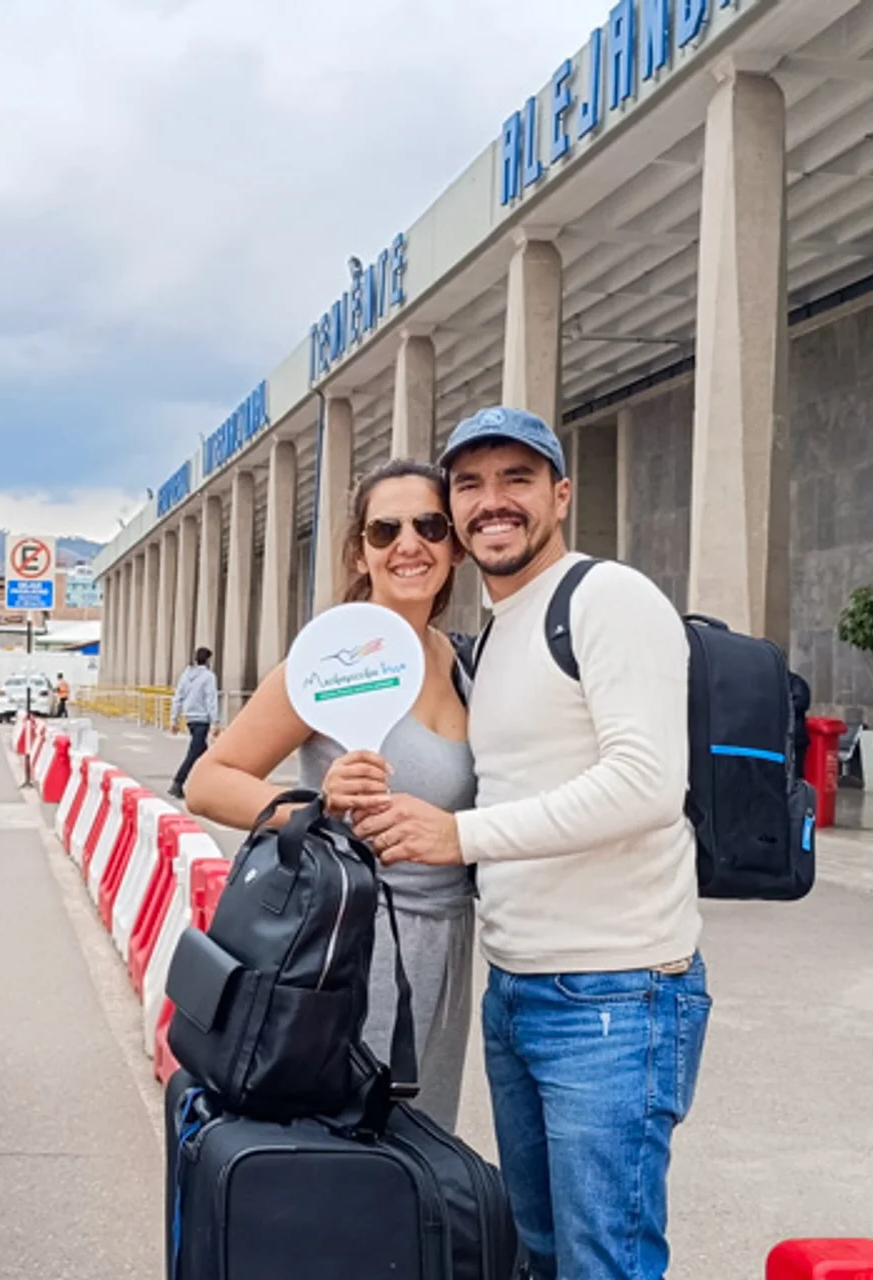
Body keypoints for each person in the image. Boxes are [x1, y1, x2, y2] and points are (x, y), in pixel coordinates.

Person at [354, 407, 710, 1280]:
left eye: (517, 478)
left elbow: (647, 784)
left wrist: (459, 835)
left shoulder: (607, 598)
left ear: (561, 495)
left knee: (603, 1262)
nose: (493, 501)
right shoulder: (499, 631)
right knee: (540, 1255)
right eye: (470, 485)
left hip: (615, 992)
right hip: (517, 988)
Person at [183, 459, 477, 1130]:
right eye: (385, 530)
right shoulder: (332, 659)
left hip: (448, 943)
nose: (409, 545)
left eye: (430, 526)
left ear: (455, 545)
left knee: (422, 1145)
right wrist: (315, 806)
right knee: (351, 1150)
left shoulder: (457, 660)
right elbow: (208, 780)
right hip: (354, 946)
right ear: (359, 551)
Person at [167, 647, 218, 800]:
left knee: (205, 754)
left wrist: (174, 719)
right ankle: (178, 782)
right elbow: (211, 699)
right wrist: (215, 721)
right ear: (208, 660)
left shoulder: (185, 675)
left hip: (189, 718)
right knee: (194, 753)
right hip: (202, 719)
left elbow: (178, 697)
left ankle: (209, 786)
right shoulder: (209, 677)